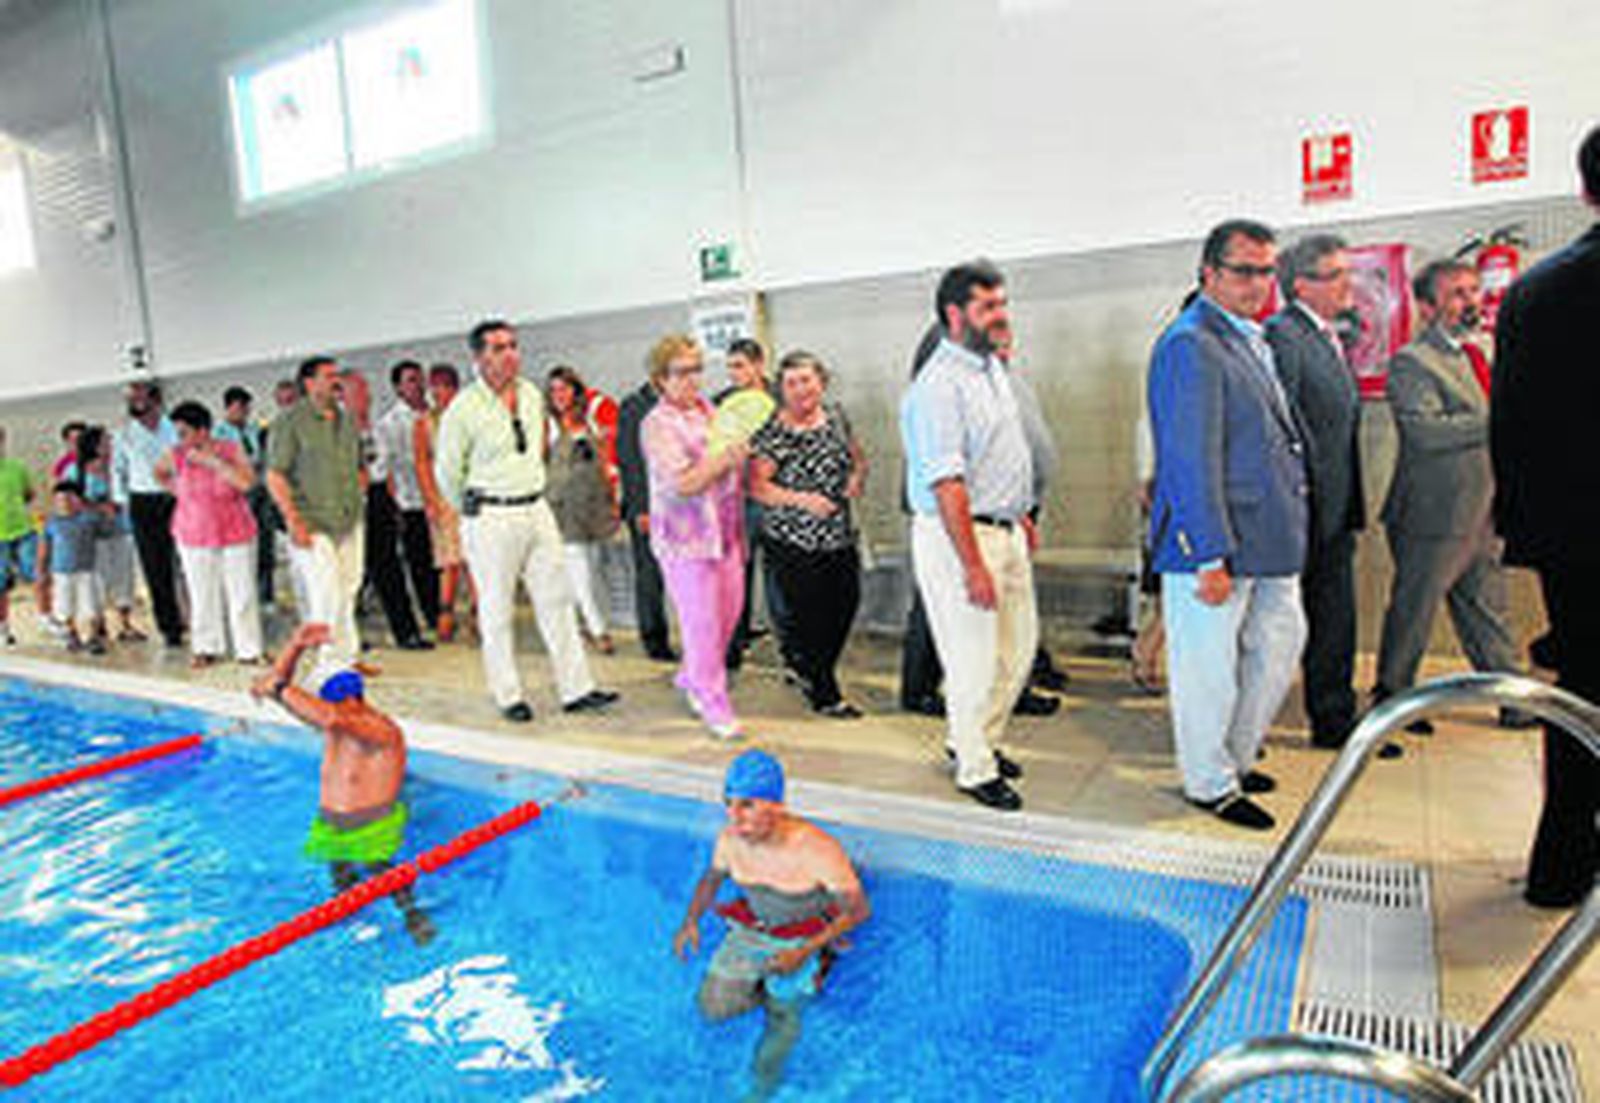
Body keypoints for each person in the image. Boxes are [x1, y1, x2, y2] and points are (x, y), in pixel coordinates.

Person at [1147, 220, 1309, 831]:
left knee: (1277, 647)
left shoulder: (1247, 338)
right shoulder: (1191, 342)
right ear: (1209, 274)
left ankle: (1236, 758)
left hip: (1268, 537)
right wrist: (1206, 552)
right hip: (1215, 541)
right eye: (1244, 270)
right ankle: (1208, 780)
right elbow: (1188, 456)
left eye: (1267, 270)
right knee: (1207, 669)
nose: (1258, 283)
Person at [1491, 122, 1600, 909]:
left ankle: (1560, 862)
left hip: (1571, 542)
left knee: (1582, 693)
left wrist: (1531, 529)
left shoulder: (1537, 291)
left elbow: (1512, 424)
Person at [900, 261, 1037, 811]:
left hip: (1004, 527)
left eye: (1002, 303)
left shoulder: (990, 370)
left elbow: (999, 451)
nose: (1001, 315)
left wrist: (1019, 512)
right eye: (988, 306)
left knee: (1017, 651)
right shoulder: (938, 386)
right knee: (973, 660)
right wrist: (973, 564)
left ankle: (975, 739)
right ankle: (975, 768)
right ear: (955, 315)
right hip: (959, 537)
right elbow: (947, 482)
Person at [433, 319, 618, 722]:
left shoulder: (532, 394)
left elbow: (537, 449)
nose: (510, 354)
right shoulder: (463, 408)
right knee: (496, 609)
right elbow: (447, 471)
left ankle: (577, 688)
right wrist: (471, 505)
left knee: (558, 600)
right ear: (479, 357)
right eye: (498, 348)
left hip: (535, 508)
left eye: (513, 345)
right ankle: (508, 694)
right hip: (490, 514)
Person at [1374, 259, 1526, 732]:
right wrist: (1502, 417)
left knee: (1487, 610)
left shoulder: (1478, 355)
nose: (1470, 302)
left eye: (1474, 291)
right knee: (1414, 611)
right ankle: (1392, 699)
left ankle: (1513, 700)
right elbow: (1425, 434)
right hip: (1432, 515)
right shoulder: (1411, 362)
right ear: (1425, 306)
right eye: (1457, 293)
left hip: (1482, 509)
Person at [1264, 235, 1398, 757]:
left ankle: (1334, 718)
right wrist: (1303, 504)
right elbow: (1284, 428)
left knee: (1335, 618)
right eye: (1337, 274)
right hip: (1305, 508)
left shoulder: (1325, 336)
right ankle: (1314, 718)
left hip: (1335, 504)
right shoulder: (1284, 336)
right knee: (1299, 620)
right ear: (1302, 285)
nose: (1351, 284)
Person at [673, 750, 869, 1103]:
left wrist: (803, 951)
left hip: (804, 932)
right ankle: (779, 984)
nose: (733, 817)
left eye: (747, 804)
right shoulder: (730, 838)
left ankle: (761, 1091)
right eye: (728, 803)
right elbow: (712, 878)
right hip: (754, 928)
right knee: (713, 1008)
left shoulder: (817, 849)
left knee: (783, 1015)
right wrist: (690, 921)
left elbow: (858, 911)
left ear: (777, 805)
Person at [250, 622, 435, 945]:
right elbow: (283, 691)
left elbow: (324, 713)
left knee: (383, 872)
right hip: (331, 828)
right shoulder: (335, 724)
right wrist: (295, 646)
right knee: (342, 881)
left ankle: (413, 915)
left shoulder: (379, 728)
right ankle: (351, 922)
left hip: (372, 828)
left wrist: (279, 689)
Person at [641, 334, 749, 740]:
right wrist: (725, 459)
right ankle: (712, 699)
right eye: (681, 372)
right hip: (687, 542)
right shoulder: (656, 424)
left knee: (728, 615)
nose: (691, 379)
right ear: (660, 379)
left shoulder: (711, 410)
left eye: (696, 369)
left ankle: (692, 674)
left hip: (726, 532)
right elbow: (684, 483)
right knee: (701, 623)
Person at [749, 351, 865, 717]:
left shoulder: (836, 415)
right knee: (811, 617)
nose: (801, 389)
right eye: (792, 383)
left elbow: (857, 457)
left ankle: (805, 667)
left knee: (845, 606)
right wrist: (803, 500)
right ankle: (825, 692)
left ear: (821, 381)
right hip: (793, 541)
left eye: (807, 380)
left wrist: (856, 477)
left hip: (839, 535)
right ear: (781, 390)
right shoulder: (773, 431)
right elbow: (758, 487)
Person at [267, 356, 368, 679]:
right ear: (308, 383)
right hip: (310, 521)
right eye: (328, 376)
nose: (335, 381)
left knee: (349, 586)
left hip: (348, 517)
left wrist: (358, 495)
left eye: (337, 375)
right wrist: (293, 520)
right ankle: (328, 664)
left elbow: (358, 466)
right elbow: (275, 475)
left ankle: (348, 656)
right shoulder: (290, 422)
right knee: (326, 591)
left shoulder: (346, 420)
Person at [156, 401, 263, 667]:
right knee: (201, 593)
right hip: (193, 532)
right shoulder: (176, 454)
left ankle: (248, 649)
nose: (180, 439)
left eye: (184, 432)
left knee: (242, 592)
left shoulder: (230, 450)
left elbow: (247, 483)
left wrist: (213, 462)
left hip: (235, 530)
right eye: (177, 433)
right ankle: (207, 647)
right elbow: (158, 473)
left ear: (202, 431)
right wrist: (177, 490)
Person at [345, 367, 432, 652]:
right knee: (351, 575)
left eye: (366, 390)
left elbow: (388, 467)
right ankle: (347, 636)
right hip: (353, 502)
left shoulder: (375, 427)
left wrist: (395, 505)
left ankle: (406, 632)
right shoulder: (338, 430)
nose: (366, 396)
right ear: (343, 395)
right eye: (359, 391)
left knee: (390, 568)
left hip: (380, 497)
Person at [544, 365, 619, 654]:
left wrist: (612, 500)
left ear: (576, 391)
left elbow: (602, 463)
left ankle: (590, 623)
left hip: (593, 506)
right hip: (561, 509)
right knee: (579, 571)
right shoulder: (546, 426)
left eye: (564, 388)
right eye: (553, 390)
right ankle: (599, 630)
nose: (559, 395)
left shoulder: (589, 422)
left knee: (595, 568)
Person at [716, 338, 779, 670]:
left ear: (759, 364)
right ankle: (732, 648)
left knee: (780, 577)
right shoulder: (721, 404)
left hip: (773, 498)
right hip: (736, 501)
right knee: (736, 575)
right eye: (730, 367)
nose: (734, 373)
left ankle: (790, 651)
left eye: (739, 366)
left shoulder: (780, 399)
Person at [112, 380, 184, 647]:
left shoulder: (174, 428)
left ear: (155, 400)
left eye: (139, 398)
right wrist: (123, 501)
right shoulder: (124, 434)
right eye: (130, 399)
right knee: (156, 567)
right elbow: (117, 471)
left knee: (189, 563)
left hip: (178, 497)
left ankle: (199, 620)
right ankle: (170, 627)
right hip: (143, 502)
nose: (134, 403)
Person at [377, 361, 441, 631]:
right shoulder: (390, 423)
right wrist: (396, 506)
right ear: (398, 388)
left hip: (442, 498)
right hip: (411, 500)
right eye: (412, 380)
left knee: (444, 561)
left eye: (420, 379)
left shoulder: (436, 413)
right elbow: (387, 467)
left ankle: (445, 609)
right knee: (421, 564)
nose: (419, 385)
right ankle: (432, 615)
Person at [617, 370, 676, 661]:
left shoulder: (678, 405)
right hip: (647, 509)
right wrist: (641, 508)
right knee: (650, 576)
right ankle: (654, 640)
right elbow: (629, 461)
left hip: (678, 505)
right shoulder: (634, 406)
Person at [72, 426, 145, 645]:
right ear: (95, 445)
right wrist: (99, 507)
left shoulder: (118, 467)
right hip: (92, 536)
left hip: (121, 530)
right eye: (106, 441)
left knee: (124, 578)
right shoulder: (77, 472)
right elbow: (70, 502)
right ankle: (97, 625)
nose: (110, 444)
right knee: (97, 582)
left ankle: (125, 623)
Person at [413, 363, 471, 641]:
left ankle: (478, 614)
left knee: (475, 558)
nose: (440, 392)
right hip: (443, 498)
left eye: (446, 386)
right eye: (435, 387)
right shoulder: (425, 422)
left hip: (471, 494)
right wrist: (430, 499)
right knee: (449, 562)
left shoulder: (469, 415)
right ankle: (445, 616)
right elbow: (422, 462)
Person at [215, 385, 277, 608]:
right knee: (243, 546)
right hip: (238, 494)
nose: (244, 412)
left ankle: (267, 594)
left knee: (266, 543)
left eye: (246, 408)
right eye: (239, 408)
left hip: (261, 489)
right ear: (228, 408)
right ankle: (244, 594)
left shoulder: (254, 429)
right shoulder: (218, 435)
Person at [40, 480, 109, 654]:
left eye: (70, 499)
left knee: (90, 605)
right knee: (65, 605)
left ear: (79, 500)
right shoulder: (52, 523)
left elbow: (106, 532)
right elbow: (44, 547)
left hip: (86, 570)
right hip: (61, 572)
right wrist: (42, 570)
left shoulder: (89, 519)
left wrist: (104, 512)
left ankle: (92, 637)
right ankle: (72, 634)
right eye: (60, 500)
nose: (65, 504)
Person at [0, 427, 34, 646]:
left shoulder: (17, 467)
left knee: (36, 574)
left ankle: (49, 619)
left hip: (22, 531)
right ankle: (4, 629)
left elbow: (29, 494)